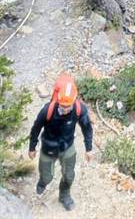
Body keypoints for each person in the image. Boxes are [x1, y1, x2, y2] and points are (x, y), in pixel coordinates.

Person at [28, 74, 93, 211]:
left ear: (74, 101)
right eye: (62, 105)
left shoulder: (79, 109)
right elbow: (36, 128)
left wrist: (88, 148)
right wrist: (32, 147)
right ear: (58, 100)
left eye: (67, 106)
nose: (64, 109)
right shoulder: (48, 110)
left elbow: (87, 128)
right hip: (48, 146)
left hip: (67, 146)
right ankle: (43, 182)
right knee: (47, 176)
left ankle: (64, 196)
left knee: (69, 176)